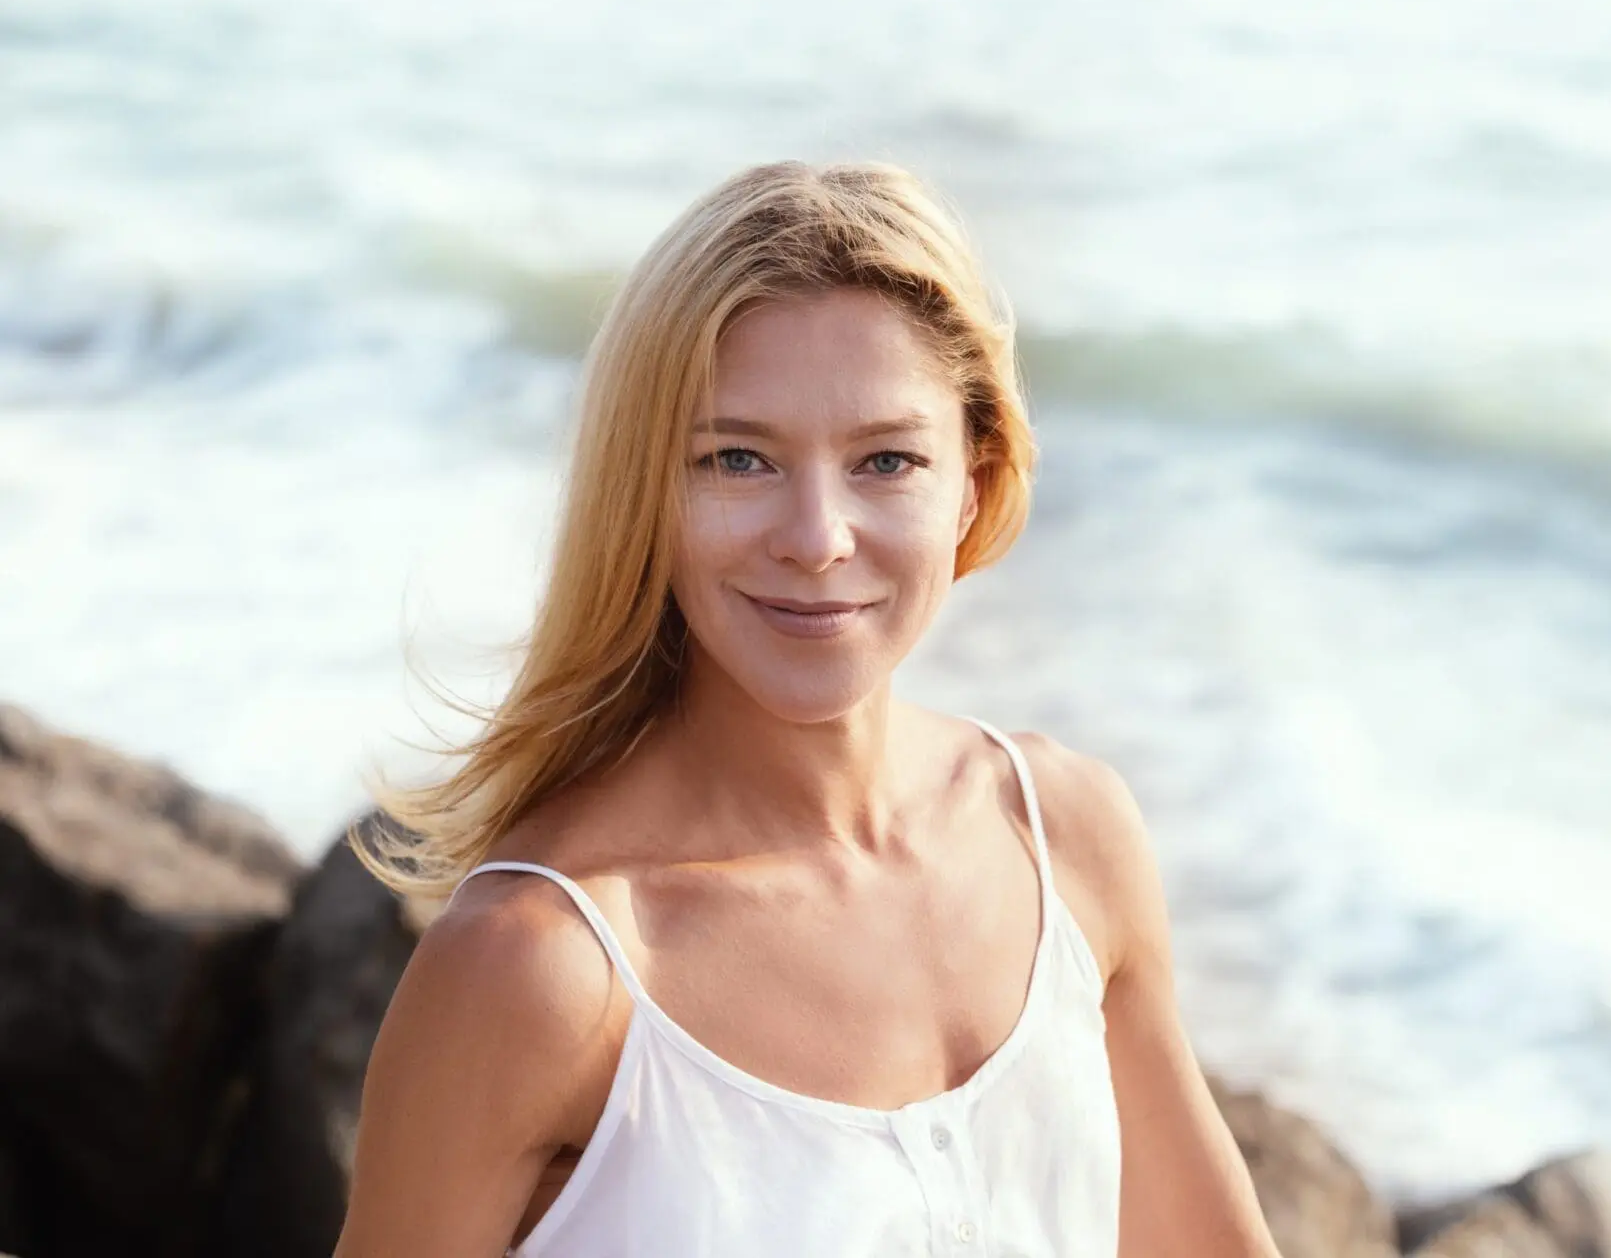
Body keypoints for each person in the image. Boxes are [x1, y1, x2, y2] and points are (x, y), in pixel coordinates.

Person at [333, 160, 1280, 1258]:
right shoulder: (536, 968)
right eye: (739, 458)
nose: (818, 536)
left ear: (970, 482)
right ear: (648, 489)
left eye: (886, 459)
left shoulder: (1067, 838)